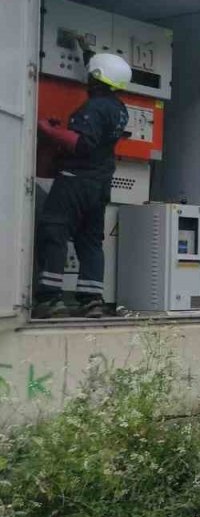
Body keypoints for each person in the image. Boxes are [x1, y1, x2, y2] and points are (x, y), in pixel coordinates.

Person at [33, 51, 131, 319]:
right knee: (90, 240)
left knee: (54, 230)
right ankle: (92, 300)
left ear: (96, 79)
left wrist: (48, 130)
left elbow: (82, 143)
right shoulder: (120, 110)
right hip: (99, 184)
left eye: (91, 74)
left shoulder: (95, 107)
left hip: (75, 181)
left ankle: (50, 299)